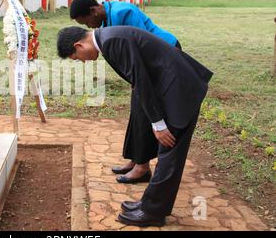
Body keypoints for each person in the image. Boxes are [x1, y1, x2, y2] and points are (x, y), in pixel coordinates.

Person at [57, 26, 213, 227]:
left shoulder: (112, 41)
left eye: (77, 57)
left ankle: (152, 212)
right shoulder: (108, 39)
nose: (83, 61)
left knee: (169, 151)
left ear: (79, 45)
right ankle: (149, 204)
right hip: (169, 86)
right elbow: (139, 78)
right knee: (167, 149)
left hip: (179, 89)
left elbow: (140, 80)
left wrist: (157, 123)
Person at [70, 0, 181, 184]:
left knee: (145, 109)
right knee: (137, 110)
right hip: (143, 67)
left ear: (93, 11)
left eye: (87, 21)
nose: (89, 27)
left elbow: (143, 46)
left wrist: (140, 80)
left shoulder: (123, 12)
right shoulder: (105, 21)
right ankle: (137, 159)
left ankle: (142, 168)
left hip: (163, 56)